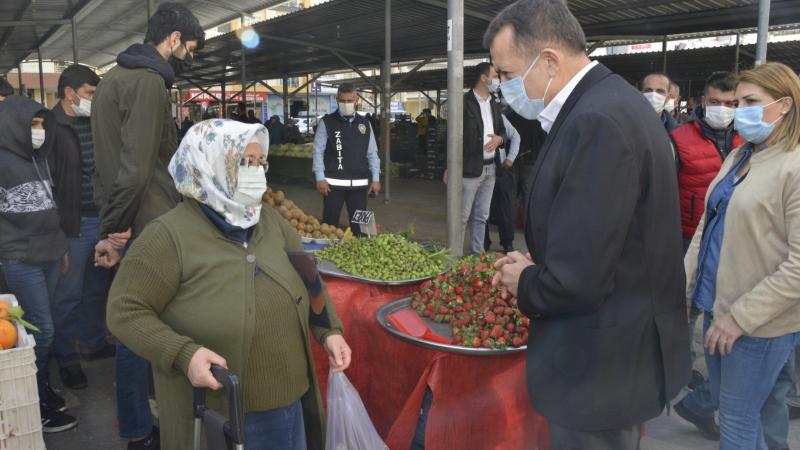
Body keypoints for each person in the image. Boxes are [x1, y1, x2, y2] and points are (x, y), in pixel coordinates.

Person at [486, 1, 689, 448]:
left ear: (549, 60)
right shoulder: (610, 102)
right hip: (619, 347)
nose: (502, 87)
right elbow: (603, 233)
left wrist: (527, 280)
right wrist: (545, 257)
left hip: (601, 363)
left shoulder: (597, 121)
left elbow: (578, 280)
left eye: (506, 73)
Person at [106, 119, 351, 450]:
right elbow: (124, 310)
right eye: (246, 163)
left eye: (260, 162)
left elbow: (309, 279)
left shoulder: (269, 220)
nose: (258, 173)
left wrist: (329, 330)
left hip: (292, 399)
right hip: (223, 414)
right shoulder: (168, 236)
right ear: (209, 166)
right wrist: (183, 354)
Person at [91, 3, 204, 449]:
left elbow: (116, 161)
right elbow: (138, 168)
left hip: (130, 214)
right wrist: (115, 228)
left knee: (135, 316)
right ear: (173, 39)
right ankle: (139, 425)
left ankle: (144, 413)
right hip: (146, 218)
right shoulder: (149, 81)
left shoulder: (114, 79)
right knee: (139, 324)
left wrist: (112, 224)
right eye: (188, 49)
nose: (187, 59)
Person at [684, 61, 800, 450]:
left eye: (751, 101)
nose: (738, 112)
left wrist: (741, 318)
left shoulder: (794, 167)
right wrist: (685, 290)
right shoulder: (740, 156)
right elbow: (706, 226)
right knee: (739, 415)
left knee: (736, 421)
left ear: (784, 105)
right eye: (736, 102)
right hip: (719, 308)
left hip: (756, 324)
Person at [0, 95, 78, 432]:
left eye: (42, 125)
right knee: (41, 328)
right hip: (20, 257)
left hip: (49, 254)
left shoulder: (39, 157)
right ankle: (39, 404)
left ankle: (39, 387)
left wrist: (60, 248)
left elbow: (51, 207)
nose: (39, 131)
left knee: (40, 327)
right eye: (33, 125)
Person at [49, 64, 117, 392]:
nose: (94, 99)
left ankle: (91, 343)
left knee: (96, 286)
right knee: (68, 294)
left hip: (102, 217)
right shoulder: (48, 125)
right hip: (71, 223)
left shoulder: (96, 121)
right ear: (70, 93)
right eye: (90, 94)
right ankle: (66, 359)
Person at [444, 62, 507, 254]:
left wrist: (499, 139)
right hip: (470, 169)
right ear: (483, 78)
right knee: (462, 217)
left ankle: (477, 256)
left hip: (491, 169)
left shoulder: (495, 104)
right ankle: (454, 256)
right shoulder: (464, 103)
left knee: (482, 216)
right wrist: (449, 166)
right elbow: (454, 137)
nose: (498, 80)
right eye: (495, 76)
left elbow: (503, 131)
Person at [312, 84, 381, 233]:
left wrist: (376, 179)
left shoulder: (365, 124)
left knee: (361, 230)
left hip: (359, 187)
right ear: (337, 100)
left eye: (350, 100)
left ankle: (361, 253)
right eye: (343, 101)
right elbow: (318, 151)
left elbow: (372, 153)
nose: (346, 104)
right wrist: (319, 178)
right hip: (332, 187)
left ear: (356, 100)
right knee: (329, 227)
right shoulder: (327, 123)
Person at [484, 111, 520, 253]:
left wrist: (510, 158)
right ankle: (483, 242)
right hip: (478, 169)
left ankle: (507, 243)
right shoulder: (471, 116)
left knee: (504, 207)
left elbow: (516, 136)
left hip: (499, 168)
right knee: (482, 209)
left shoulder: (498, 117)